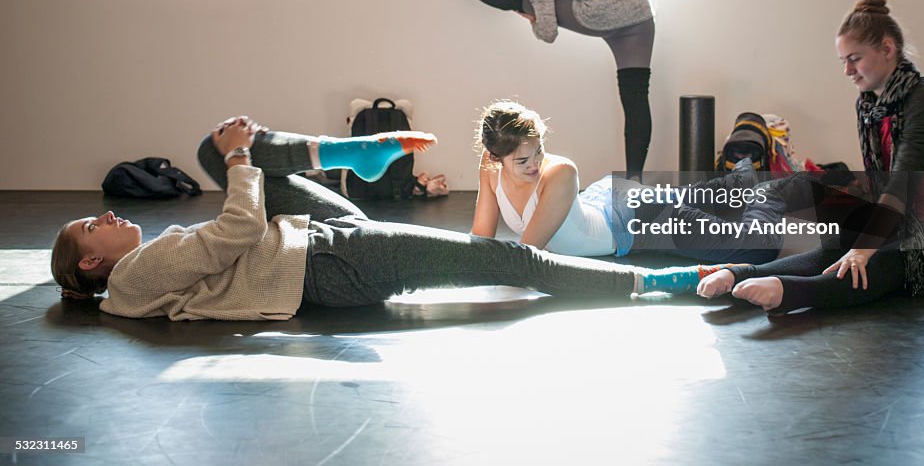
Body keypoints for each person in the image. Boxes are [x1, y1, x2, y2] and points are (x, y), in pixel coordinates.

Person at [51, 118, 736, 321]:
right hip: (329, 264)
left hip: (309, 241)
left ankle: (354, 155)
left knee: (210, 144)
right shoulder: (135, 278)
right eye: (92, 224)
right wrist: (238, 167)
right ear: (92, 263)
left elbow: (237, 230)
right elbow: (232, 232)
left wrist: (234, 158)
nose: (107, 213)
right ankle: (659, 283)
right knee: (507, 263)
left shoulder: (141, 265)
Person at [697, 0, 924, 315]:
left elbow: (901, 185)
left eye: (855, 58)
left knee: (881, 257)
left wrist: (864, 249)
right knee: (837, 234)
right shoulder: (869, 104)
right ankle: (744, 273)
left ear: (888, 49)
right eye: (843, 61)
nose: (848, 71)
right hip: (905, 221)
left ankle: (791, 292)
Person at [412, 0, 654, 178]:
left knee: (520, 0)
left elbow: (547, 33)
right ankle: (635, 180)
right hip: (639, 15)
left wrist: (531, 18)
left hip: (606, 12)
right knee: (636, 98)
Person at [472, 100, 788, 264]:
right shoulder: (489, 168)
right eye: (522, 162)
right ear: (495, 158)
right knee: (674, 197)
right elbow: (480, 239)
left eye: (539, 151)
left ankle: (767, 192)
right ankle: (740, 178)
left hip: (636, 221)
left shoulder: (560, 172)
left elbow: (527, 252)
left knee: (758, 246)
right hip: (607, 200)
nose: (535, 165)